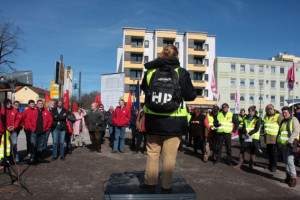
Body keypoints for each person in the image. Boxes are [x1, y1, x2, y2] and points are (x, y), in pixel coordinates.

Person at [140, 45, 197, 191]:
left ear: (162, 55)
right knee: (169, 157)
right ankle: (166, 186)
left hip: (153, 120)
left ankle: (150, 183)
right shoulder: (181, 72)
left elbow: (145, 90)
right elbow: (190, 96)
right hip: (174, 122)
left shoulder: (151, 71)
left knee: (152, 153)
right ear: (176, 56)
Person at [277, 106, 300, 187]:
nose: (284, 114)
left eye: (285, 113)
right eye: (283, 113)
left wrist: (291, 140)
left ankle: (293, 178)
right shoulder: (284, 121)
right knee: (286, 161)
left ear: (290, 112)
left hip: (291, 144)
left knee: (290, 161)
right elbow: (281, 132)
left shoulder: (294, 120)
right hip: (283, 144)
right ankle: (288, 176)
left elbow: (296, 131)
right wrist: (278, 142)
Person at [264, 104, 283, 172]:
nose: (268, 112)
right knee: (269, 152)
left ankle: (274, 166)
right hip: (267, 137)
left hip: (274, 138)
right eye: (267, 111)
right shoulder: (266, 116)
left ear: (272, 109)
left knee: (274, 153)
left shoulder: (278, 116)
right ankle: (270, 164)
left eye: (269, 111)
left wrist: (280, 136)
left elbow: (282, 126)